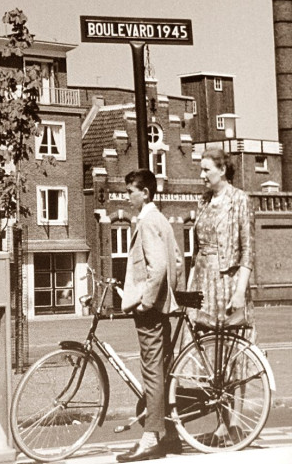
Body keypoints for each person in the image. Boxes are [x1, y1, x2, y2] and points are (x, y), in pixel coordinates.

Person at [186, 147, 255, 442]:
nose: (201, 175)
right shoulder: (203, 201)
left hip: (227, 283)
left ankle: (233, 423)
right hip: (202, 282)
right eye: (201, 170)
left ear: (222, 170)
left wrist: (240, 290)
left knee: (230, 354)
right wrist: (188, 292)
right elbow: (197, 250)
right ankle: (220, 421)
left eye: (206, 170)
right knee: (208, 353)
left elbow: (248, 251)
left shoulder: (240, 200)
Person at [117, 169, 182, 463]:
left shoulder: (147, 222)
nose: (127, 195)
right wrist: (169, 294)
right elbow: (177, 261)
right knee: (163, 371)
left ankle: (150, 438)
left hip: (150, 310)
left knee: (152, 372)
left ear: (145, 193)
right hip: (161, 307)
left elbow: (157, 268)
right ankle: (170, 435)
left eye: (131, 190)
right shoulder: (162, 220)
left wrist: (146, 302)